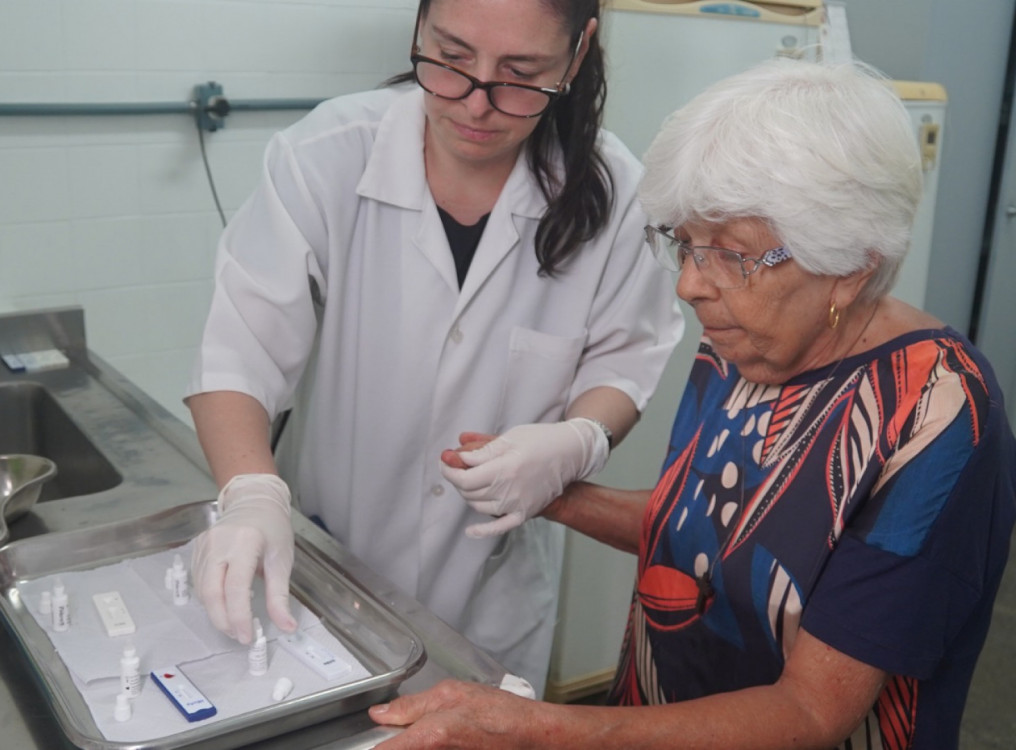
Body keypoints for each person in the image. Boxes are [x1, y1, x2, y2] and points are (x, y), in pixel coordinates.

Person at [368, 58, 1016, 749]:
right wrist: (553, 491)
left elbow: (811, 714)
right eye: (683, 245)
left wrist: (539, 729)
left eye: (729, 253)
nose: (688, 285)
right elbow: (715, 526)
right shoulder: (746, 339)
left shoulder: (934, 418)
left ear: (849, 269)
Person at [183, 0, 682, 694]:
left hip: (491, 586)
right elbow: (237, 350)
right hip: (334, 551)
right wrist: (252, 493)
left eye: (519, 74)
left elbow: (626, 359)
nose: (476, 103)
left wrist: (577, 441)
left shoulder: (615, 193)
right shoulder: (325, 154)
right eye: (449, 60)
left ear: (576, 54)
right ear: (419, 29)